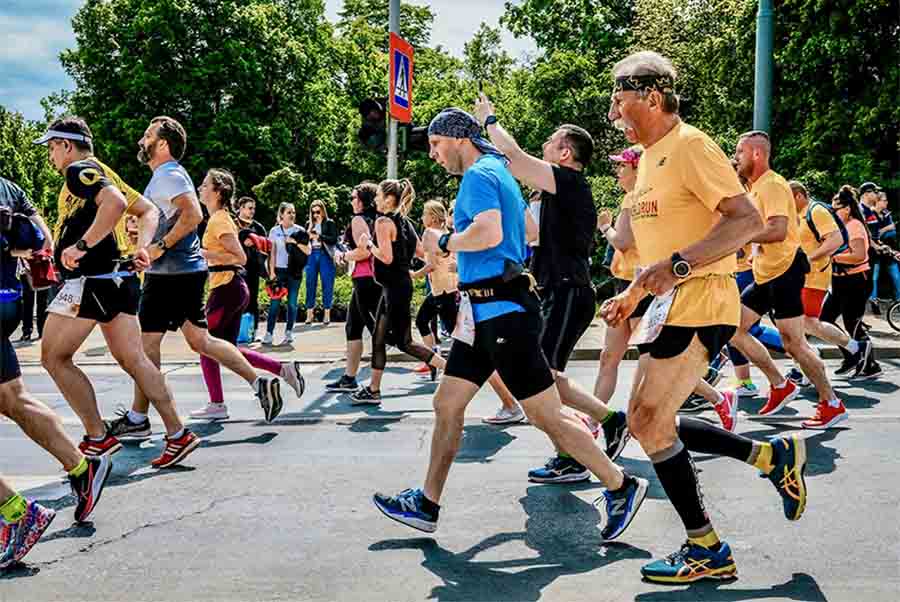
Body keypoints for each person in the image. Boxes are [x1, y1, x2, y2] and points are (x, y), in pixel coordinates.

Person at [372, 107, 647, 544]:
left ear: (458, 139)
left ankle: (621, 484)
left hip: (503, 313)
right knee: (447, 404)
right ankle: (427, 503)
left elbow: (490, 234)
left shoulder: (481, 175)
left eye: (436, 144)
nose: (433, 154)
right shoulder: (497, 173)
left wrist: (444, 241)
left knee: (546, 415)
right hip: (480, 312)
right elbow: (523, 230)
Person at [603, 51, 809, 582]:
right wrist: (632, 295)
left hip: (704, 298)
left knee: (647, 422)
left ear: (651, 96)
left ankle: (708, 550)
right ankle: (770, 458)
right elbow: (661, 252)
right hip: (671, 302)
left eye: (618, 98)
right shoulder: (648, 160)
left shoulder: (691, 146)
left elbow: (747, 221)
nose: (612, 111)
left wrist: (677, 265)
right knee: (650, 420)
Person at [474, 96, 634, 482]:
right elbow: (530, 233)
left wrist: (488, 120)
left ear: (564, 152)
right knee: (548, 376)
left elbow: (512, 155)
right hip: (556, 292)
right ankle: (610, 421)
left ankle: (573, 457)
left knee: (539, 380)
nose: (543, 145)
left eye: (549, 141)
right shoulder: (555, 192)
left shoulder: (568, 181)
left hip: (567, 292)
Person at [106, 116, 285, 454]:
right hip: (184, 272)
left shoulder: (168, 175)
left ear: (162, 144)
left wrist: (158, 247)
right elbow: (176, 218)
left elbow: (193, 215)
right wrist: (145, 238)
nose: (141, 141)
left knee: (146, 348)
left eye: (147, 136)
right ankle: (259, 382)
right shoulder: (169, 177)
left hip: (169, 274)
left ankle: (139, 417)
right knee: (200, 339)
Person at [33, 117, 198, 468]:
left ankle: (97, 437)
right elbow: (148, 210)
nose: (50, 156)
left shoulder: (80, 170)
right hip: (118, 279)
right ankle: (178, 433)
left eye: (51, 147)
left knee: (53, 357)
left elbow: (116, 204)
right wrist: (143, 246)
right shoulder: (103, 170)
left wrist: (81, 245)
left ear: (67, 144)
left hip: (92, 281)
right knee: (134, 359)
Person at [0, 175, 111, 568]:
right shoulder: (9, 187)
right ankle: (83, 468)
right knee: (12, 398)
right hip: (8, 300)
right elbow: (42, 239)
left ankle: (14, 513)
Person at [727, 130, 844, 427]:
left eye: (739, 152)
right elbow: (761, 231)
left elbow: (778, 230)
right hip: (766, 274)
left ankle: (831, 403)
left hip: (785, 272)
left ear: (756, 153)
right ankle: (780, 384)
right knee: (732, 327)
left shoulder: (774, 185)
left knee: (795, 344)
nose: (735, 158)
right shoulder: (754, 190)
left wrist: (741, 237)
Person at [190, 169, 305, 420]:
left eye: (204, 184)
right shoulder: (219, 218)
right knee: (227, 349)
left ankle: (218, 404)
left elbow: (239, 257)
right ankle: (284, 370)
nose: (200, 187)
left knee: (205, 344)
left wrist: (203, 254)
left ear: (218, 191)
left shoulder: (219, 220)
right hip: (231, 287)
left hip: (227, 288)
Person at [351, 179, 446, 404]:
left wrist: (368, 245)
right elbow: (420, 251)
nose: (375, 199)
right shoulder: (404, 222)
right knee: (382, 338)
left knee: (403, 342)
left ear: (388, 198)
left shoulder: (383, 222)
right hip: (397, 287)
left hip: (395, 289)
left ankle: (452, 370)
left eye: (378, 196)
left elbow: (386, 257)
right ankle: (373, 389)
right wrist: (437, 260)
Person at [790, 180, 874, 399]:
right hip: (818, 277)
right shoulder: (801, 215)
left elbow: (851, 252)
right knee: (805, 323)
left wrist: (812, 259)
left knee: (806, 323)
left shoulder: (818, 212)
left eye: (838, 208)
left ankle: (853, 351)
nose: (835, 211)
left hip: (829, 277)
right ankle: (847, 352)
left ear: (799, 196)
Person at [326, 183, 382, 392]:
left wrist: (343, 255)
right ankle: (349, 378)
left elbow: (364, 252)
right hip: (373, 279)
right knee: (353, 327)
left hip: (365, 279)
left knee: (386, 335)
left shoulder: (358, 219)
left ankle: (435, 361)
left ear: (362, 200)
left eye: (353, 197)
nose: (351, 201)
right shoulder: (379, 218)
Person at [823, 186, 882, 380]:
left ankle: (870, 365)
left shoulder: (854, 225)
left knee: (852, 323)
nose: (832, 213)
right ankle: (852, 356)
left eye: (836, 209)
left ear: (847, 209)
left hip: (856, 281)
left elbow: (858, 256)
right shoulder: (840, 227)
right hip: (839, 281)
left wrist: (833, 256)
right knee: (824, 320)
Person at [412, 200, 459, 372]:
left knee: (456, 332)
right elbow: (438, 260)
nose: (422, 217)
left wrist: (414, 275)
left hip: (442, 291)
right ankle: (432, 358)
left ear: (432, 217)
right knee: (422, 320)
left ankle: (468, 366)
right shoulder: (446, 233)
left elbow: (431, 265)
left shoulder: (429, 233)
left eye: (424, 214)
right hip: (447, 288)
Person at [264, 202, 309, 346]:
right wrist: (271, 272)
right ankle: (269, 333)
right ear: (281, 215)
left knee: (292, 303)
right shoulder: (274, 231)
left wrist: (294, 241)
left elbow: (308, 251)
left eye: (293, 212)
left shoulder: (300, 230)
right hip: (278, 271)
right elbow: (272, 253)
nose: (292, 215)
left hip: (294, 272)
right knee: (274, 303)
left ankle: (289, 331)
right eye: (289, 212)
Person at [234, 196, 267, 338]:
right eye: (249, 208)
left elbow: (266, 248)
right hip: (234, 268)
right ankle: (234, 331)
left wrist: (256, 242)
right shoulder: (231, 223)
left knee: (252, 299)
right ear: (240, 208)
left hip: (253, 269)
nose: (252, 211)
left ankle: (252, 332)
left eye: (254, 208)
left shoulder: (258, 227)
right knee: (235, 299)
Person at [304, 200, 338, 325]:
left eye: (318, 212)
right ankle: (309, 314)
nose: (315, 215)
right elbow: (304, 240)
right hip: (312, 254)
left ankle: (327, 314)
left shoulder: (329, 223)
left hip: (325, 255)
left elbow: (334, 239)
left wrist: (319, 236)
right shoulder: (309, 223)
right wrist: (308, 234)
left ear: (323, 211)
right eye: (313, 212)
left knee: (327, 284)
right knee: (310, 283)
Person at [870, 189, 900, 303]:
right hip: (876, 251)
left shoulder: (886, 213)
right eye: (884, 200)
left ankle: (898, 300)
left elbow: (893, 231)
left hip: (888, 250)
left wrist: (882, 232)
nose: (886, 203)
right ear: (877, 201)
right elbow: (873, 234)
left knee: (896, 276)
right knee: (874, 277)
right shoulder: (870, 214)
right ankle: (873, 301)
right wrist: (886, 229)